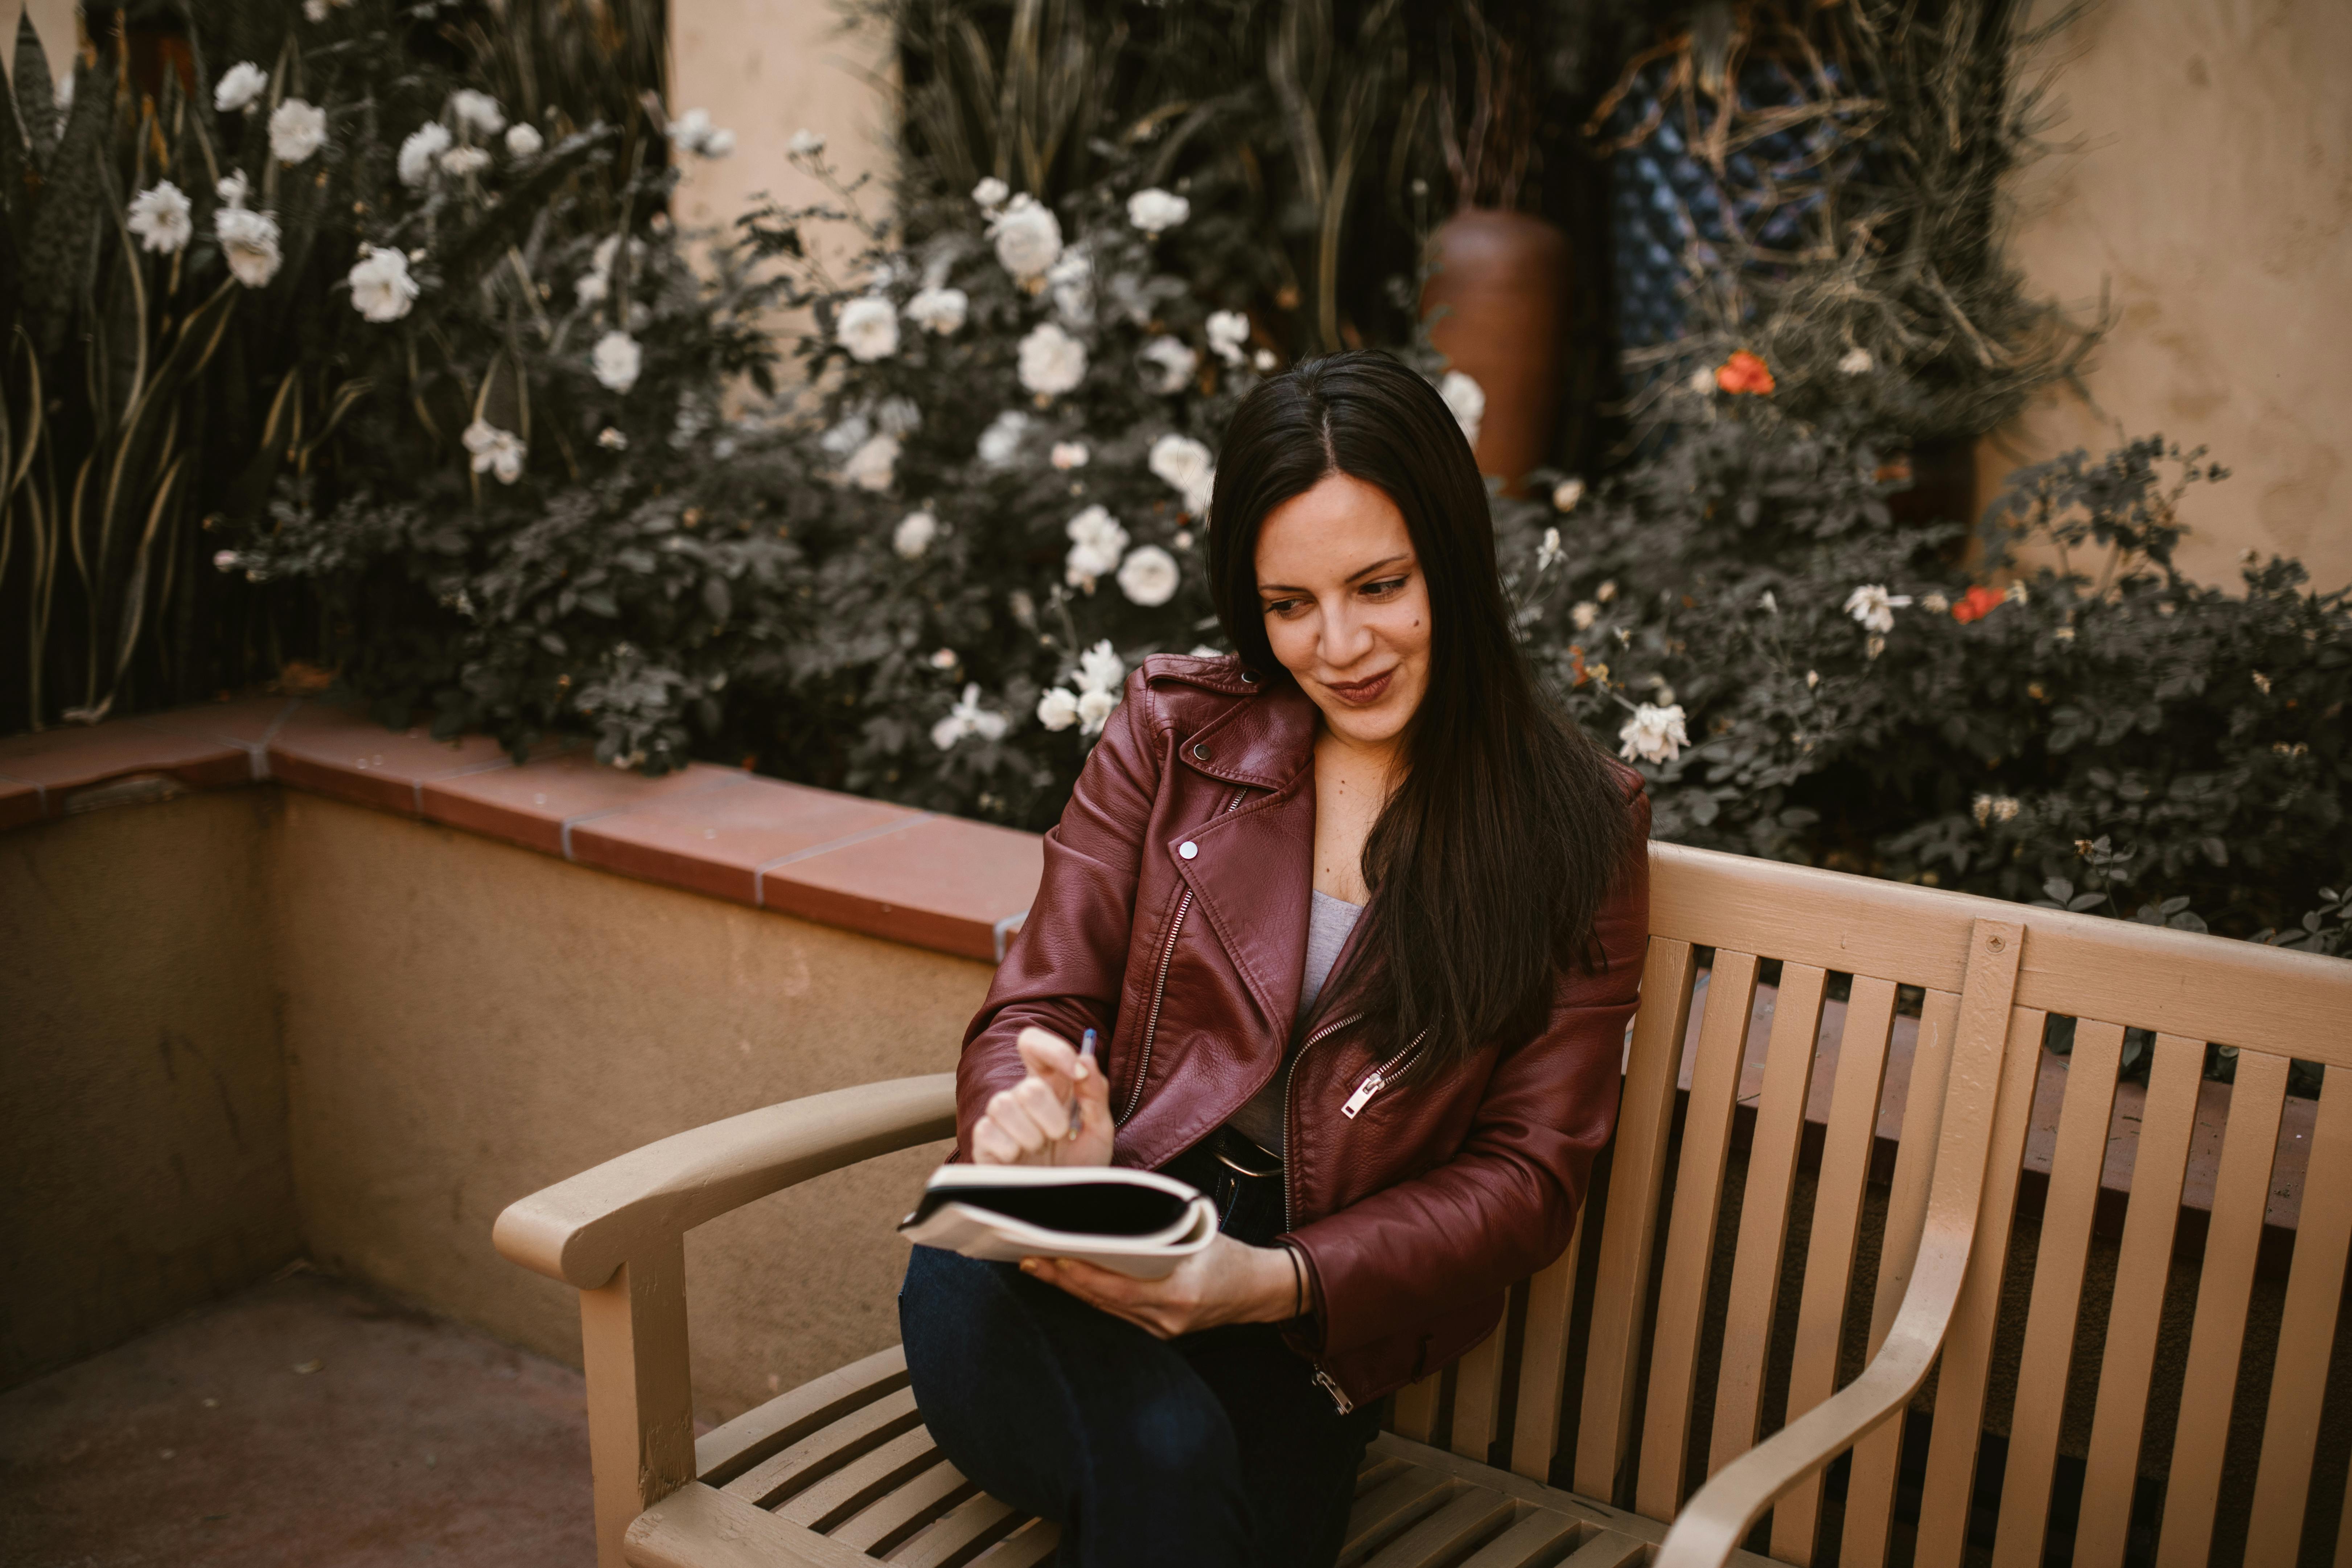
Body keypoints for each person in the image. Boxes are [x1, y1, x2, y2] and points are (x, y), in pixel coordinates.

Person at [898, 349, 1651, 1568]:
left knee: (1197, 1482)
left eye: (1379, 584)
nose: (1340, 643)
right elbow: (1034, 1003)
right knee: (1175, 1461)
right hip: (1069, 1239)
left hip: (1302, 1311)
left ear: (1451, 561)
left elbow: (1527, 1177)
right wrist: (1030, 1128)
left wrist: (1266, 1281)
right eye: (1289, 604)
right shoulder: (1171, 731)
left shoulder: (1576, 827)